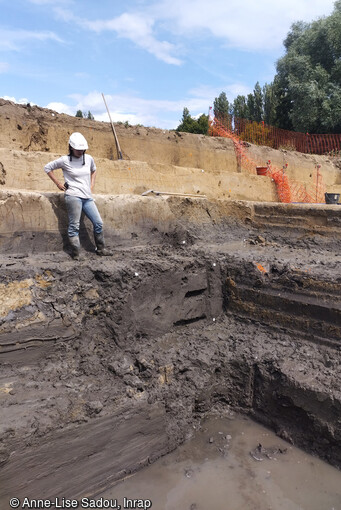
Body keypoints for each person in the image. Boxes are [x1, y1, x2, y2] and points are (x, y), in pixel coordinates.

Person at [44, 132, 111, 259]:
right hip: (73, 196)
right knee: (74, 226)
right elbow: (47, 167)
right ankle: (76, 253)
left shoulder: (89, 159)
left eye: (83, 149)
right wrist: (58, 183)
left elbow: (94, 170)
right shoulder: (65, 160)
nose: (81, 152)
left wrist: (92, 184)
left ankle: (101, 249)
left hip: (87, 197)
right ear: (71, 147)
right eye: (78, 149)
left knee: (98, 223)